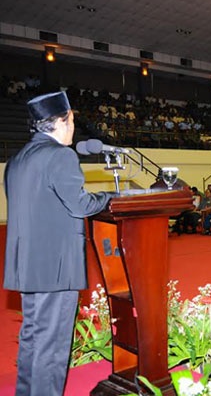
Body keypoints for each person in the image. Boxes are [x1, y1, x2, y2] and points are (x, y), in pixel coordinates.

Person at [4, 91, 113, 396]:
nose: (74, 128)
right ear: (61, 122)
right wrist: (111, 197)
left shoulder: (17, 159)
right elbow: (79, 205)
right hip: (56, 267)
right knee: (52, 348)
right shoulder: (61, 155)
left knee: (33, 339)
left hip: (28, 265)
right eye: (73, 121)